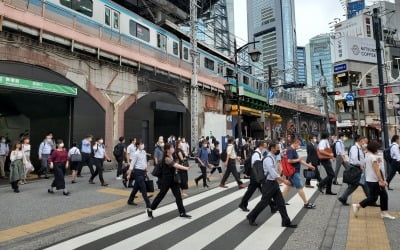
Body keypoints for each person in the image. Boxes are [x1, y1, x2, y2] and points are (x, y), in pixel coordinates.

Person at [246, 142, 297, 228]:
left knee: (281, 203)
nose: (278, 149)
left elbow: (275, 171)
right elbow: (273, 173)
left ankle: (286, 221)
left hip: (273, 183)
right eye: (277, 148)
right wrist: (284, 181)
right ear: (272, 148)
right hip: (268, 184)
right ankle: (251, 216)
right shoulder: (268, 159)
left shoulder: (272, 157)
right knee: (264, 203)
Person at [352, 141, 395, 220]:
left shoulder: (367, 155)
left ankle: (384, 212)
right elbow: (377, 170)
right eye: (377, 149)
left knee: (382, 195)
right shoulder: (373, 157)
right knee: (373, 198)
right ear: (374, 149)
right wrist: (381, 180)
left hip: (370, 180)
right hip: (374, 181)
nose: (378, 150)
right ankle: (357, 206)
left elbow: (371, 167)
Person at [149, 143, 191, 218]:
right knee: (161, 195)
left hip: (174, 179)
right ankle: (150, 209)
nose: (173, 148)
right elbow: (175, 165)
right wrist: (186, 168)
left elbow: (176, 165)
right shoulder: (166, 158)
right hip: (166, 180)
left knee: (178, 196)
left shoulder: (173, 156)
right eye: (171, 148)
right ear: (168, 150)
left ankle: (182, 212)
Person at [239, 140, 276, 212]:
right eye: (264, 146)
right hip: (256, 176)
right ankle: (243, 204)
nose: (265, 148)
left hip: (257, 176)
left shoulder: (259, 153)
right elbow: (257, 166)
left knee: (265, 192)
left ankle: (272, 206)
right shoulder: (256, 154)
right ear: (261, 146)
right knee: (252, 191)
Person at [282, 139, 317, 209]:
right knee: (299, 187)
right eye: (299, 144)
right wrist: (298, 160)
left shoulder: (292, 149)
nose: (299, 146)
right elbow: (289, 160)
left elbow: (300, 160)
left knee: (288, 186)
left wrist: (309, 166)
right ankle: (306, 203)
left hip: (293, 171)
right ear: (295, 143)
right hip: (293, 172)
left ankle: (280, 201)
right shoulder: (291, 150)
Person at [338, 136, 369, 206]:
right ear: (361, 141)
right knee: (363, 183)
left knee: (355, 185)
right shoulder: (354, 148)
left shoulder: (359, 148)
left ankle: (343, 197)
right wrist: (360, 164)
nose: (365, 143)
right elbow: (354, 159)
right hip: (356, 168)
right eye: (365, 142)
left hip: (358, 168)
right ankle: (371, 199)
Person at [126, 141, 152, 212]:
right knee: (143, 188)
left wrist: (146, 171)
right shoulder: (136, 154)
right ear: (137, 146)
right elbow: (132, 164)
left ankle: (130, 200)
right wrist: (129, 174)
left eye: (143, 144)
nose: (142, 145)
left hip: (143, 172)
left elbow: (144, 161)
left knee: (136, 187)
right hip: (137, 172)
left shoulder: (144, 152)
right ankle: (148, 204)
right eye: (141, 144)